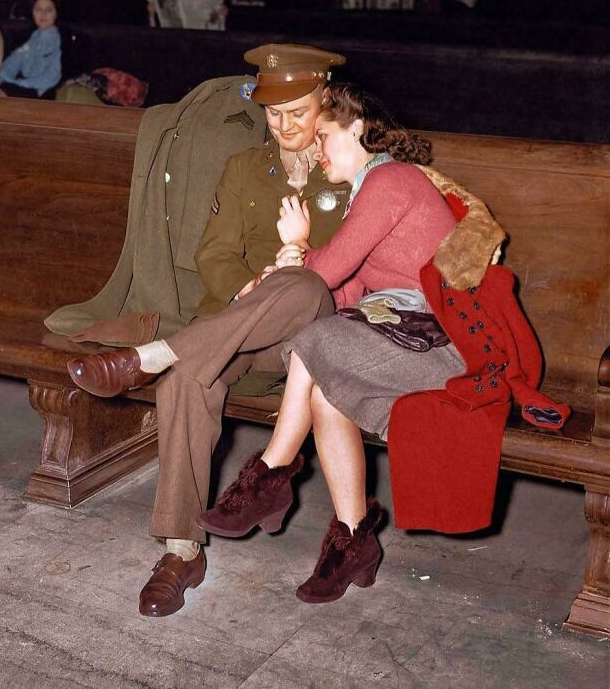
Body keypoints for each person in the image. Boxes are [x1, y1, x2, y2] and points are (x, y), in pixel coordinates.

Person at [67, 44, 351, 617]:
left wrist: (292, 266)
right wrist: (250, 286)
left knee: (302, 287)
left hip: (313, 342)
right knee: (185, 381)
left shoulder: (349, 166)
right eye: (274, 113)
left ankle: (152, 354)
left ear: (326, 102)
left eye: (298, 112)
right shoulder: (246, 166)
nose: (285, 126)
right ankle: (180, 549)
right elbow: (213, 254)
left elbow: (361, 267)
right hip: (240, 327)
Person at [196, 82, 463, 602]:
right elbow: (348, 290)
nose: (316, 151)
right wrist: (294, 273)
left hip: (438, 341)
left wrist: (298, 247)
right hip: (399, 334)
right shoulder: (368, 191)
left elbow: (334, 267)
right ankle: (352, 541)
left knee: (319, 340)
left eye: (324, 136)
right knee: (324, 390)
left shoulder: (391, 179)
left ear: (358, 129)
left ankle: (270, 473)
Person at [0, 0, 61, 99]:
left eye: (48, 10)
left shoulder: (61, 39)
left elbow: (53, 76)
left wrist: (19, 84)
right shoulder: (33, 36)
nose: (43, 14)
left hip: (44, 92)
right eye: (38, 9)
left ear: (56, 13)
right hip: (24, 88)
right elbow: (14, 61)